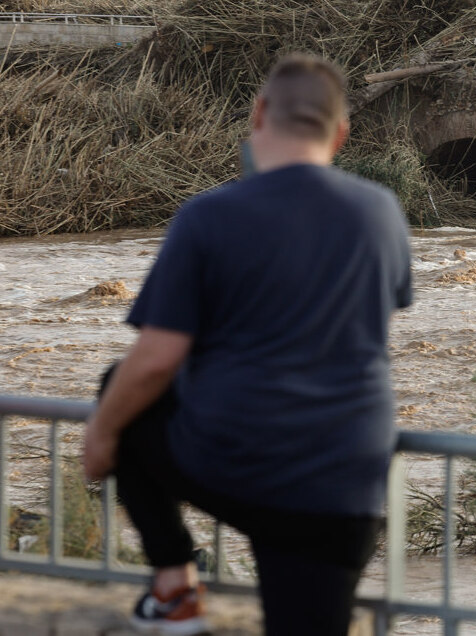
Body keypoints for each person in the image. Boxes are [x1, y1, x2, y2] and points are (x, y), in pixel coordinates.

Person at [83, 53, 413, 636]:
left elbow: (156, 360)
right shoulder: (381, 212)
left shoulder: (209, 216)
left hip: (236, 461)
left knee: (121, 392)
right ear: (341, 133)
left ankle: (174, 589)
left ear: (259, 114)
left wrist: (102, 434)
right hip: (344, 485)